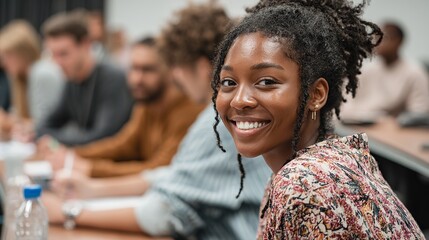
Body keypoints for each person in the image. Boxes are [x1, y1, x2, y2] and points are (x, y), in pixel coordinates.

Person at [43, 2, 271, 239]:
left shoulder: (217, 121)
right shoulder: (208, 114)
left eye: (177, 67)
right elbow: (174, 174)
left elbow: (163, 212)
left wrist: (67, 213)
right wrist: (94, 189)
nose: (175, 76)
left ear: (203, 68)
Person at [212, 0, 425, 239]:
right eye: (228, 82)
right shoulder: (331, 161)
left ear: (316, 95)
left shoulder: (304, 183)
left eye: (266, 81)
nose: (239, 101)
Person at [44, 37, 203, 177]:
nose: (137, 79)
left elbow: (159, 169)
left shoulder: (187, 109)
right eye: (133, 68)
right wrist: (73, 155)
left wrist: (91, 168)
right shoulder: (145, 105)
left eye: (148, 70)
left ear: (170, 72)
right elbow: (123, 145)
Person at [37, 10, 133, 146]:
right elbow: (43, 127)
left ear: (86, 44)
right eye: (53, 54)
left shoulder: (112, 79)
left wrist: (53, 141)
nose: (57, 62)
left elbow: (103, 138)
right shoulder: (72, 79)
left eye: (63, 54)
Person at [341, 21, 429, 120]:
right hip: (355, 124)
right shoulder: (366, 69)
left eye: (385, 39)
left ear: (399, 42)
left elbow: (419, 113)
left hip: (388, 129)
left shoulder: (415, 72)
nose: (378, 43)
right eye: (376, 38)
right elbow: (345, 100)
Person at [0, 20, 64, 141]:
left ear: (21, 53)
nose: (4, 63)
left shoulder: (41, 72)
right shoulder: (22, 79)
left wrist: (9, 122)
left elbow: (45, 124)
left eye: (7, 56)